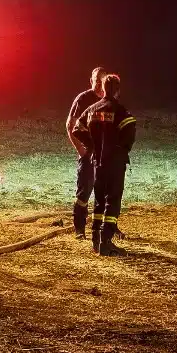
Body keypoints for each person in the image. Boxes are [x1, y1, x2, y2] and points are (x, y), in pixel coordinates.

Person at [84, 73, 136, 255]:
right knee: (112, 201)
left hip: (98, 163)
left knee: (99, 200)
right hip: (114, 164)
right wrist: (119, 150)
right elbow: (129, 135)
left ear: (103, 88)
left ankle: (96, 240)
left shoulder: (92, 110)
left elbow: (77, 128)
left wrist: (93, 146)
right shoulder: (121, 111)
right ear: (118, 90)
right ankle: (106, 241)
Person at [65, 67, 105, 237]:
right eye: (97, 81)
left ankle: (107, 227)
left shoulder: (108, 100)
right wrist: (81, 150)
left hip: (104, 154)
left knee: (105, 192)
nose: (99, 85)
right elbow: (70, 125)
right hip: (89, 154)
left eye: (102, 82)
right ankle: (79, 228)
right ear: (91, 81)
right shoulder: (83, 99)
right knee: (84, 191)